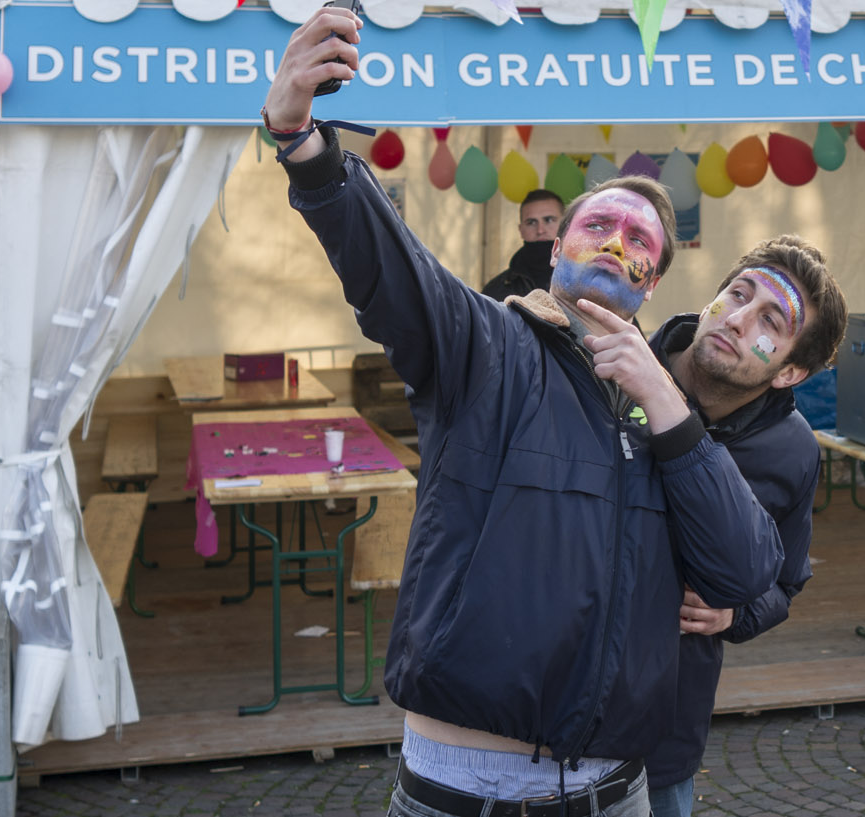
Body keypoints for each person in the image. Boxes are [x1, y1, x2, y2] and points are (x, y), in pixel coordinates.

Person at [263, 10, 783, 817]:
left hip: (620, 791)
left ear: (649, 284)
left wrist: (667, 407)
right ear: (555, 249)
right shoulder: (487, 344)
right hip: (466, 791)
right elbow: (392, 268)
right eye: (598, 223)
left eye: (637, 237)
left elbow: (749, 572)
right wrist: (304, 146)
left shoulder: (667, 408)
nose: (616, 241)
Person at [642, 237, 848, 817]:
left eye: (770, 320)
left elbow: (786, 582)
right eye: (736, 295)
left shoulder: (792, 450)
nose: (736, 320)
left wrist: (736, 614)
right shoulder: (612, 371)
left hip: (664, 729)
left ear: (792, 371)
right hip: (544, 716)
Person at [481, 189, 565, 300]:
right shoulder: (496, 291)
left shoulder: (586, 280)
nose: (540, 230)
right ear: (521, 230)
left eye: (548, 220)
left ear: (565, 224)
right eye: (531, 222)